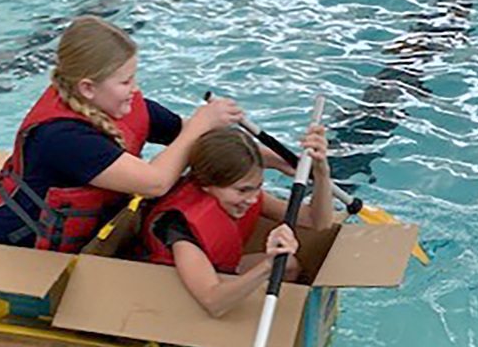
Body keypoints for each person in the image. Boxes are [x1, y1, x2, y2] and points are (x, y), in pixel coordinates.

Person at [0, 14, 248, 253]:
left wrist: (280, 160)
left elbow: (197, 138)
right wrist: (201, 123)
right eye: (125, 81)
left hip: (73, 238)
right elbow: (156, 182)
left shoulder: (114, 103)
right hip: (11, 247)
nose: (135, 89)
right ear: (88, 88)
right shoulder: (62, 137)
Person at [138, 122, 334, 318]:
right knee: (279, 265)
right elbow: (213, 303)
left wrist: (321, 173)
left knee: (289, 265)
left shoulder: (237, 192)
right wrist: (268, 266)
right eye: (242, 190)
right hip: (175, 295)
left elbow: (316, 221)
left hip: (219, 270)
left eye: (257, 187)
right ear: (207, 185)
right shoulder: (180, 227)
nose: (253, 199)